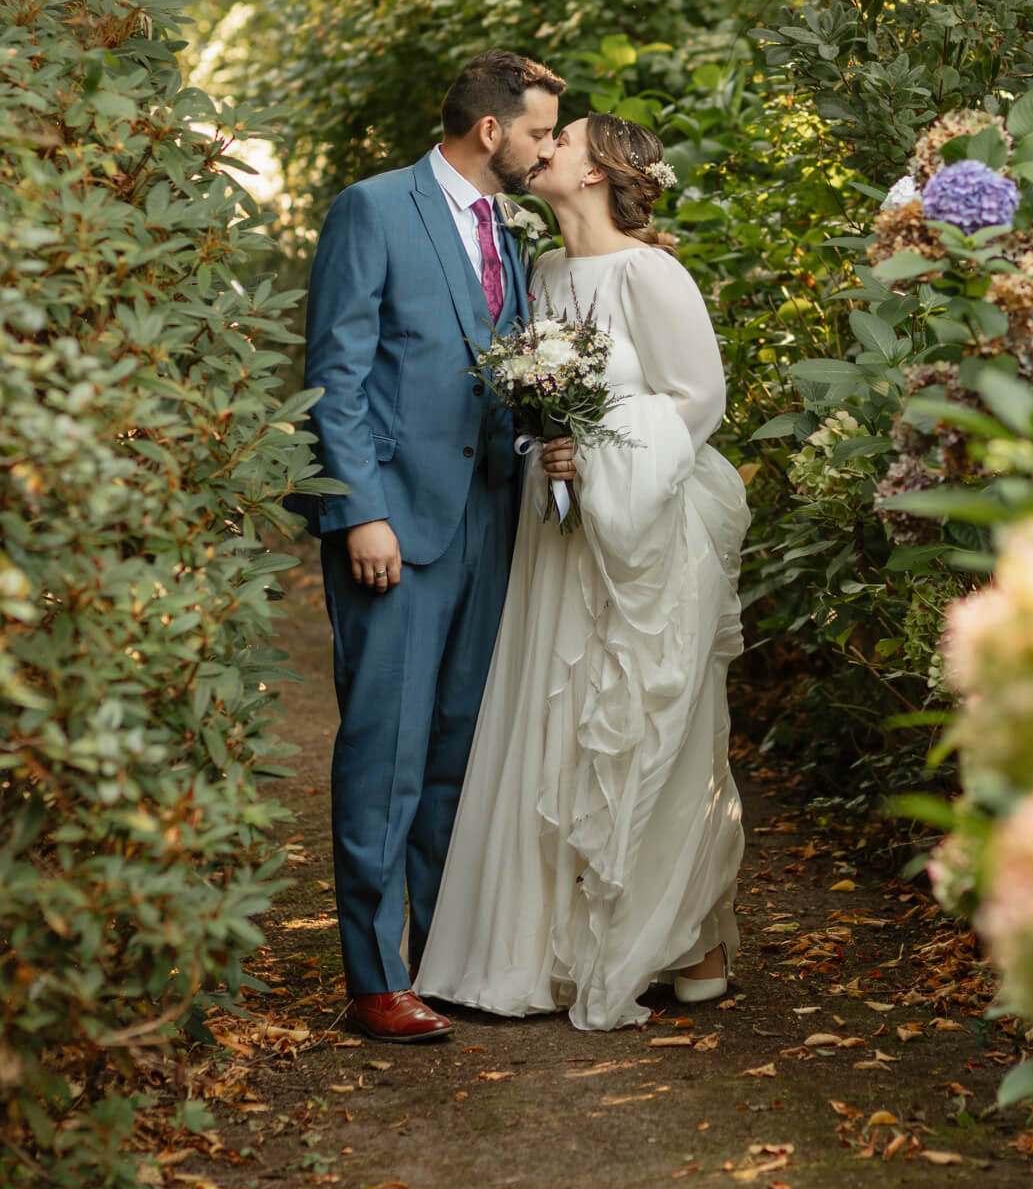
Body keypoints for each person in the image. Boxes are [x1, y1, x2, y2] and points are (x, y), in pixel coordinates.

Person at [416, 113, 749, 1031]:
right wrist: (549, 449)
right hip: (559, 531)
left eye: (560, 140)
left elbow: (696, 399)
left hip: (644, 531)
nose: (543, 148)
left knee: (648, 725)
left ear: (598, 172)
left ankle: (683, 937)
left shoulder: (651, 270)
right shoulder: (544, 274)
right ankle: (564, 946)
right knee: (559, 718)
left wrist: (597, 457)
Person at [302, 50, 564, 1042]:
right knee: (387, 752)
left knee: (457, 748)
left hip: (489, 520)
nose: (545, 149)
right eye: (539, 131)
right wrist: (357, 509)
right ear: (490, 129)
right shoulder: (371, 209)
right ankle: (375, 977)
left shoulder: (503, 225)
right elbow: (337, 370)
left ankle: (443, 957)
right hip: (395, 530)